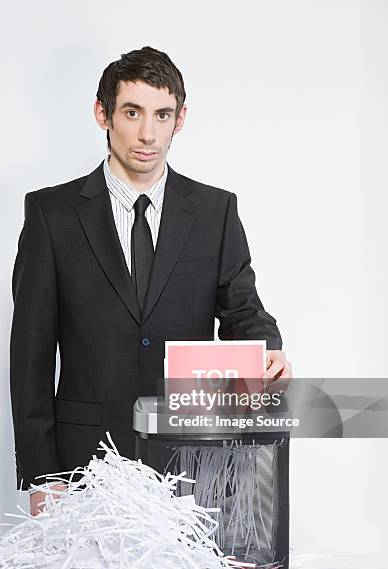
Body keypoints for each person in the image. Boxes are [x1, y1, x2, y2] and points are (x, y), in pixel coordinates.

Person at [10, 46, 292, 517]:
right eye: (132, 112)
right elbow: (31, 357)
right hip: (85, 467)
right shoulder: (50, 215)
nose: (148, 133)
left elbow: (244, 311)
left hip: (193, 463)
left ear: (180, 119)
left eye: (163, 115)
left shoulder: (214, 211)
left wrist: (267, 351)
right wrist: (43, 475)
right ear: (103, 114)